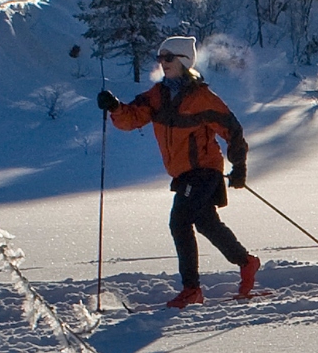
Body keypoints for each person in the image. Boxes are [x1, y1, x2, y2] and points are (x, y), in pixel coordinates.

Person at [99, 37, 260, 308]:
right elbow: (132, 118)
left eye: (169, 57)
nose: (163, 63)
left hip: (204, 172)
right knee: (206, 223)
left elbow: (232, 130)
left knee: (180, 221)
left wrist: (239, 166)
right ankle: (247, 262)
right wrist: (114, 107)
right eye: (161, 57)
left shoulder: (202, 97)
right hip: (183, 175)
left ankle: (191, 289)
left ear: (184, 61)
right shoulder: (157, 95)